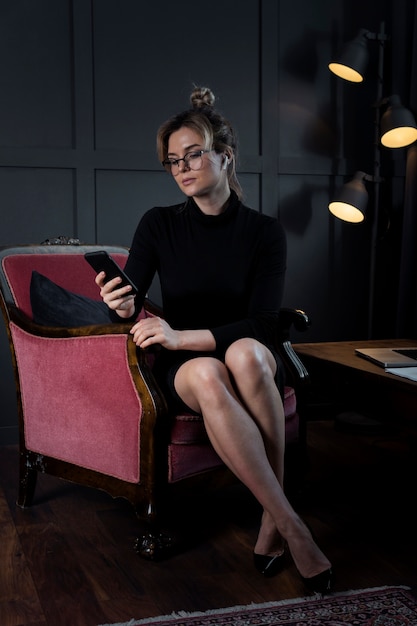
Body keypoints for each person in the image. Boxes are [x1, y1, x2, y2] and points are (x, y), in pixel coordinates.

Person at [95, 86, 333, 594]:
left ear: (225, 157)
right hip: (188, 366)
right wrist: (120, 303)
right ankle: (290, 523)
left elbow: (263, 323)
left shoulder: (265, 232)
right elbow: (132, 297)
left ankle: (271, 521)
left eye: (194, 154)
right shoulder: (157, 224)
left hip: (244, 351)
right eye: (172, 161)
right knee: (208, 370)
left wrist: (180, 335)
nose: (182, 167)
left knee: (246, 354)